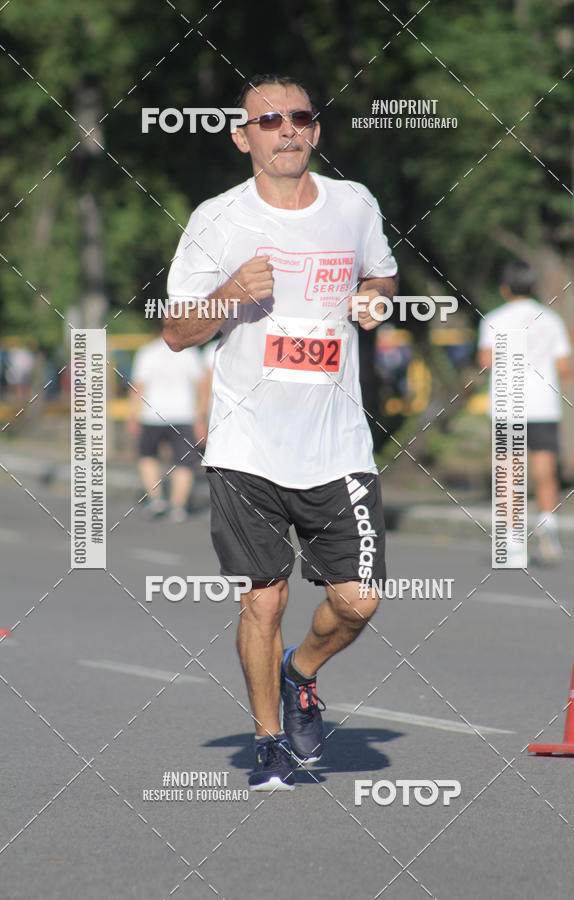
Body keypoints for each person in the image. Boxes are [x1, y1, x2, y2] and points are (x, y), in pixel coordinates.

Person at [164, 73, 397, 790]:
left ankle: (301, 671)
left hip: (337, 444)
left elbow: (382, 276)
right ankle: (269, 741)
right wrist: (229, 294)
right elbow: (176, 331)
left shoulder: (354, 204)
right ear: (244, 139)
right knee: (263, 598)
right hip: (247, 444)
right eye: (268, 121)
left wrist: (374, 298)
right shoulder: (217, 218)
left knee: (358, 600)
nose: (286, 129)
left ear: (315, 131)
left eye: (299, 117)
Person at [478, 260, 574, 564]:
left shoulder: (494, 318)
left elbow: (486, 361)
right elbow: (565, 367)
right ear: (533, 286)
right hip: (544, 404)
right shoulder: (552, 319)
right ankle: (547, 524)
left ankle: (513, 540)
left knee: (509, 472)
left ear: (504, 289)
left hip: (508, 405)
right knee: (545, 471)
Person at [128, 327, 211, 522]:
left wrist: (133, 416)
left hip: (151, 414)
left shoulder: (147, 352)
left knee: (148, 456)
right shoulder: (190, 353)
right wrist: (200, 417)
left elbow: (138, 387)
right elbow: (201, 388)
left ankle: (156, 501)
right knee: (184, 462)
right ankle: (178, 506)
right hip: (183, 415)